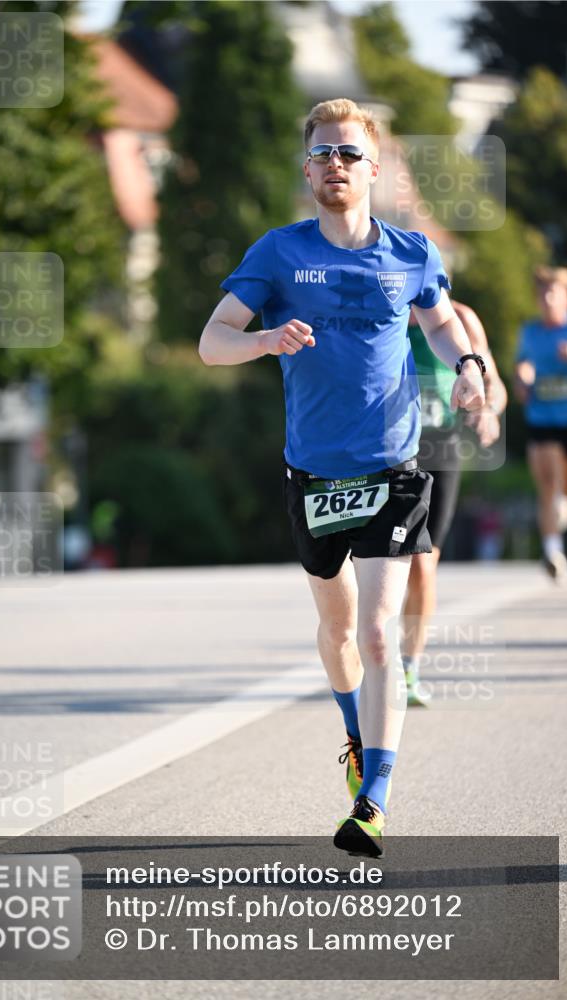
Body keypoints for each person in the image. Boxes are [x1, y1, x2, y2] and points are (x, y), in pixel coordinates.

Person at [199, 99, 485, 856]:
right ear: (307, 169)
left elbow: (441, 319)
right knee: (336, 631)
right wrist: (262, 340)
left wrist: (470, 366)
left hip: (394, 465)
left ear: (373, 167)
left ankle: (373, 801)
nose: (336, 165)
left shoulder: (411, 252)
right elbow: (210, 342)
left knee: (378, 634)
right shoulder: (279, 254)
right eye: (323, 154)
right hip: (313, 474)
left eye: (349, 154)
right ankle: (356, 737)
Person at [402, 301, 508, 706]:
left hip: (439, 451)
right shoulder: (382, 310)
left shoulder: (461, 320)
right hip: (385, 453)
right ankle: (377, 653)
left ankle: (409, 668)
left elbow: (493, 383)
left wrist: (489, 411)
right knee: (383, 564)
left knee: (423, 566)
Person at [515, 266, 567, 580]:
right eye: (543, 294)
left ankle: (565, 508)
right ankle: (553, 551)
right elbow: (520, 371)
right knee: (547, 486)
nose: (548, 299)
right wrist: (522, 379)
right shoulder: (530, 332)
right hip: (541, 416)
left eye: (554, 293)